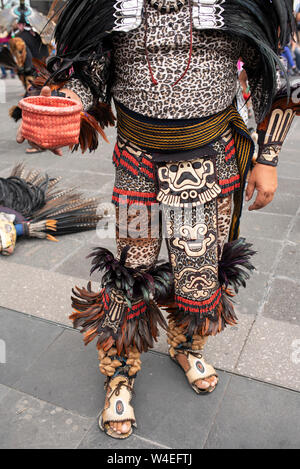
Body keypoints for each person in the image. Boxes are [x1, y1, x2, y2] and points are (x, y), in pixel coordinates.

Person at [16, 0, 299, 439]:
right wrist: (68, 104)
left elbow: (277, 72)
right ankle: (120, 370)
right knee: (133, 268)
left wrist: (270, 157)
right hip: (137, 161)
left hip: (212, 158)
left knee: (200, 265)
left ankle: (186, 344)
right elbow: (91, 75)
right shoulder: (111, 6)